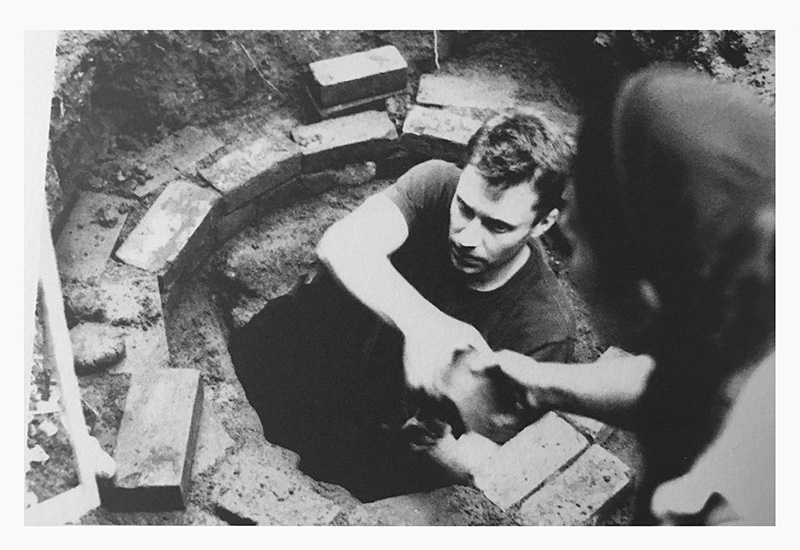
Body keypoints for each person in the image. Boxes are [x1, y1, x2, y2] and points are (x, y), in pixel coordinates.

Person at [229, 110, 578, 500]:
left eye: (497, 226)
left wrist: (440, 448)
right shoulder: (435, 184)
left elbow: (489, 463)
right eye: (465, 209)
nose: (467, 237)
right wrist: (426, 326)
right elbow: (342, 243)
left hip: (386, 445)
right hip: (326, 363)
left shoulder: (543, 329)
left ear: (543, 224)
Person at [481, 64, 775, 525]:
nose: (569, 273)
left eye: (575, 246)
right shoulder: (753, 307)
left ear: (644, 298)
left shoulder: (728, 508)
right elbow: (682, 382)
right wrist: (540, 383)